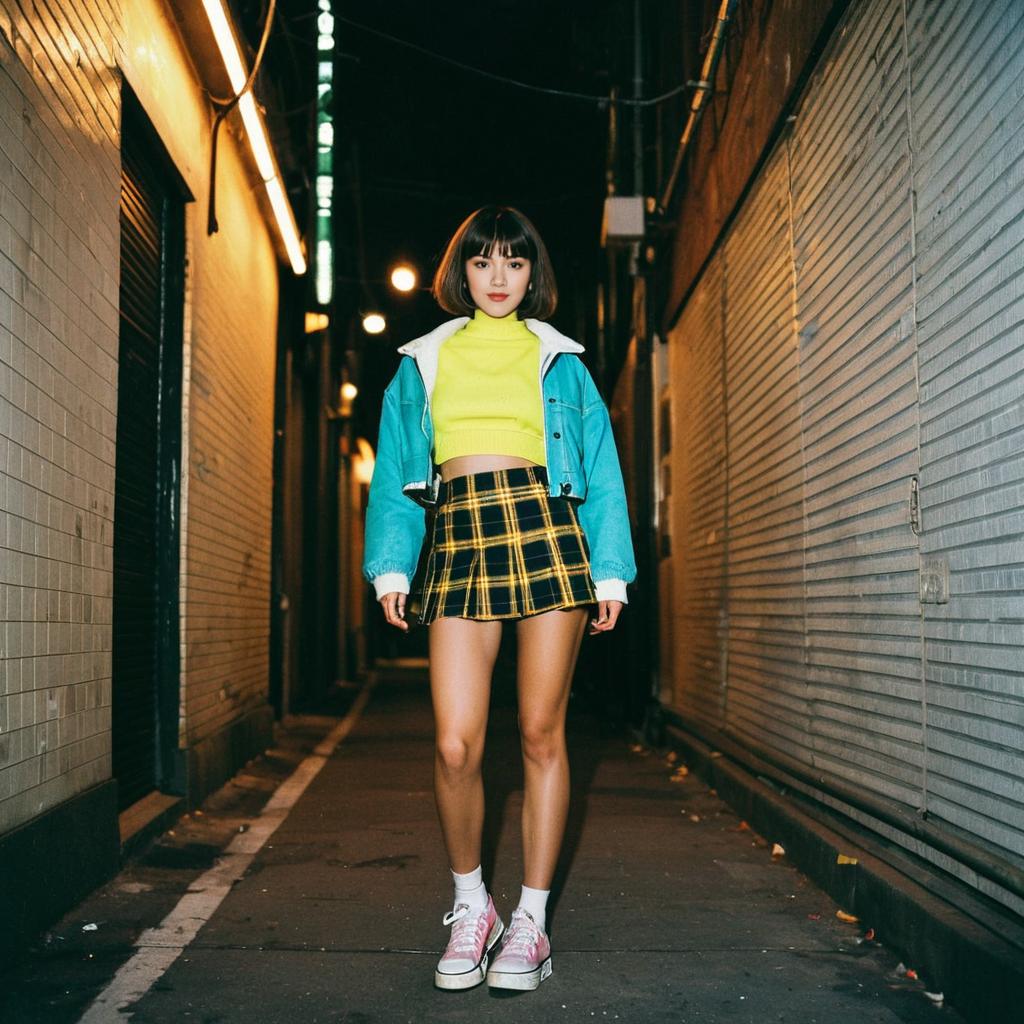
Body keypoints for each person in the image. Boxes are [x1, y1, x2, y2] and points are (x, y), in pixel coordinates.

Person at [361, 205, 637, 992]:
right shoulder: (422, 362)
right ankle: (472, 903)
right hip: (458, 536)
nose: (497, 277)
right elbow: (395, 474)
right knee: (456, 743)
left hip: (548, 529)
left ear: (532, 274)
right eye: (482, 262)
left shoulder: (562, 364)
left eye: (514, 263)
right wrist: (391, 568)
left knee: (541, 731)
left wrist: (610, 571)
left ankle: (532, 923)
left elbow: (602, 470)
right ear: (462, 271)